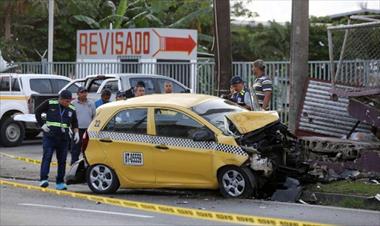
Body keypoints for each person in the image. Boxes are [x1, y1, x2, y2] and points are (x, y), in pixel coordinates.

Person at [35, 90, 79, 190]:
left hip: (63, 139)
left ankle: (60, 182)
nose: (68, 103)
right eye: (66, 101)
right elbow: (37, 111)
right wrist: (42, 125)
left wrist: (76, 133)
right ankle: (43, 179)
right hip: (50, 136)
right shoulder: (50, 103)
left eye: (69, 101)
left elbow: (75, 122)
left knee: (62, 160)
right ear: (60, 99)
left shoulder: (71, 108)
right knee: (47, 157)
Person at [70, 87, 96, 165]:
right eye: (82, 92)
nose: (84, 94)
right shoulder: (73, 103)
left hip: (88, 131)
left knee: (87, 150)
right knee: (75, 150)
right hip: (76, 130)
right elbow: (70, 116)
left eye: (85, 92)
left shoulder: (91, 103)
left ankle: (86, 167)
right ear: (78, 94)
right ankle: (74, 168)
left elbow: (94, 116)